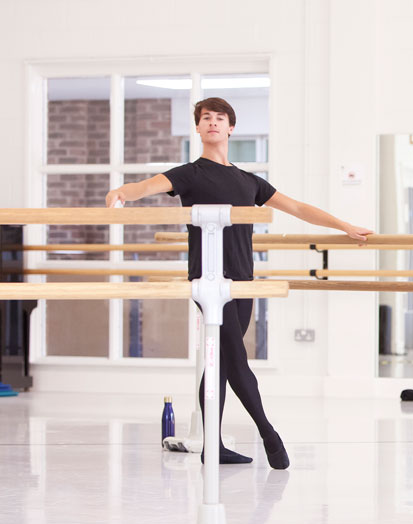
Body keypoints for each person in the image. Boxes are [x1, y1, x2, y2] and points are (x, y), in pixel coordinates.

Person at [105, 97, 373, 469]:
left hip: (243, 281)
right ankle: (268, 433)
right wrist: (120, 192)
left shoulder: (248, 181)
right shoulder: (190, 174)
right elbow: (146, 186)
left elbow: (297, 208)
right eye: (205, 118)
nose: (212, 123)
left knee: (222, 364)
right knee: (234, 355)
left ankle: (212, 446)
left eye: (220, 118)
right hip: (209, 279)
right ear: (198, 128)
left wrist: (344, 225)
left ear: (231, 128)